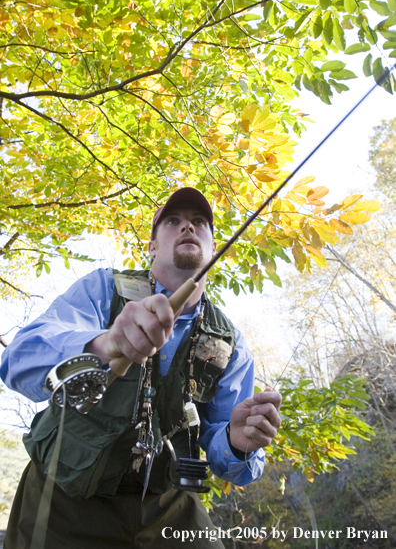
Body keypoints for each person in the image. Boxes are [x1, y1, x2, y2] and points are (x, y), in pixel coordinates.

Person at [1, 187, 282, 549]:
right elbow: (18, 360)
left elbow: (231, 463)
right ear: (151, 246)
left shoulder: (231, 344)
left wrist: (237, 444)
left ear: (213, 249)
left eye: (199, 222)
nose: (187, 227)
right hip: (65, 496)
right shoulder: (103, 289)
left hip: (167, 506)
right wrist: (104, 344)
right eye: (172, 221)